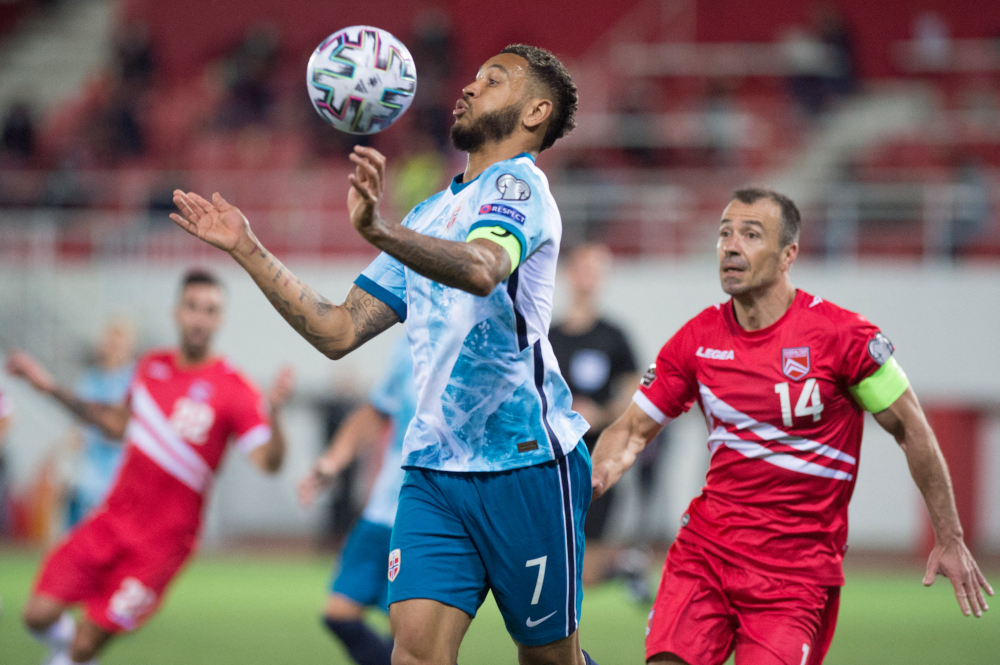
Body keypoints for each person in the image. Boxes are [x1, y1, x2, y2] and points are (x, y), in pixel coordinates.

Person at [171, 44, 602, 665]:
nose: (470, 87)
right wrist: (246, 246)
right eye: (475, 76)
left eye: (493, 79)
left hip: (526, 465)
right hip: (432, 470)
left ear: (536, 111)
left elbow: (483, 268)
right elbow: (338, 329)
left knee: (547, 660)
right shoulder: (427, 215)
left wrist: (380, 230)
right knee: (414, 654)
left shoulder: (519, 187)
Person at [591, 188, 993, 665]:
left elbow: (912, 429)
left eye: (750, 235)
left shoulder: (844, 337)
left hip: (796, 576)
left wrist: (949, 536)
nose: (731, 246)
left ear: (788, 255)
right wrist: (590, 480)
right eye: (724, 233)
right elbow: (631, 430)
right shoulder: (696, 340)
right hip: (706, 554)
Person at [6, 269, 294, 665]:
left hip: (162, 545)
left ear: (220, 319)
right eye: (192, 307)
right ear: (177, 312)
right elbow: (116, 423)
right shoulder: (151, 366)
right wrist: (48, 387)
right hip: (112, 520)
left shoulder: (235, 388)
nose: (200, 318)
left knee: (86, 643)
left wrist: (276, 415)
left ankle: (75, 655)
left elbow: (268, 462)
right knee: (36, 615)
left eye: (210, 310)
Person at [299, 337, 416, 665]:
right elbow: (376, 410)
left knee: (412, 635)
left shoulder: (482, 337)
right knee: (339, 614)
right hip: (383, 509)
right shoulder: (408, 343)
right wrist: (332, 461)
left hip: (431, 514)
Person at [549, 244, 640, 588]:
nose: (587, 279)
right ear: (568, 274)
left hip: (595, 457)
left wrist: (599, 413)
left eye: (594, 271)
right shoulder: (548, 336)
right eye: (581, 270)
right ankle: (626, 566)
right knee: (552, 557)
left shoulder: (614, 337)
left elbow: (635, 393)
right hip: (552, 460)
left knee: (588, 566)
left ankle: (622, 566)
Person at [65, 318, 137, 527]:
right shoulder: (89, 381)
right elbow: (77, 431)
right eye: (111, 339)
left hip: (123, 480)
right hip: (90, 480)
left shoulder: (136, 381)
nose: (115, 345)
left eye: (120, 340)